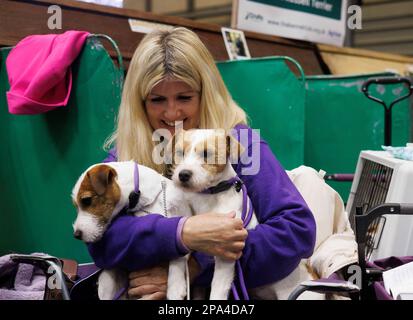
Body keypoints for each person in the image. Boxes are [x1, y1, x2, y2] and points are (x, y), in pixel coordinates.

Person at [87, 27, 316, 299]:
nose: (172, 113)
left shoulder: (238, 142)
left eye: (184, 97)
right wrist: (180, 234)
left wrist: (198, 264)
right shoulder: (128, 153)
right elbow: (98, 236)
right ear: (139, 103)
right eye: (157, 99)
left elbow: (295, 230)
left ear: (205, 94)